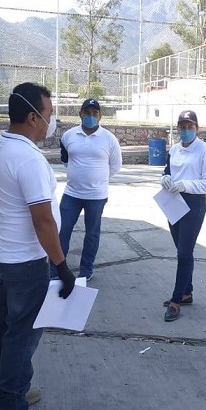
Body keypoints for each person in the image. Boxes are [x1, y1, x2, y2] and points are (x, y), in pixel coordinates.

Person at [0, 82, 77, 410]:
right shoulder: (29, 158)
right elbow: (43, 221)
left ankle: (7, 393)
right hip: (25, 262)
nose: (51, 123)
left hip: (3, 257)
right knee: (22, 337)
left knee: (5, 328)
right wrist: (61, 265)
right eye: (49, 115)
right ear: (32, 117)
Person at [160, 110, 206, 322]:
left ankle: (176, 300)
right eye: (182, 127)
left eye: (189, 127)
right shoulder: (174, 149)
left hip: (193, 205)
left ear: (197, 128)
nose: (185, 131)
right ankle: (187, 292)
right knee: (182, 250)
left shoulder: (205, 152)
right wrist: (166, 179)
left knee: (184, 253)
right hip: (173, 202)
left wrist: (185, 185)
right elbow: (168, 170)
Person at [54, 98, 122, 281]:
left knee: (92, 233)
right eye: (87, 113)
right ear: (80, 114)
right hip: (72, 193)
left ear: (100, 116)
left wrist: (98, 179)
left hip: (97, 196)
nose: (90, 116)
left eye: (94, 113)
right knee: (62, 230)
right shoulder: (68, 136)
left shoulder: (109, 139)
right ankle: (55, 270)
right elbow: (65, 160)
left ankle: (86, 270)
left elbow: (115, 165)